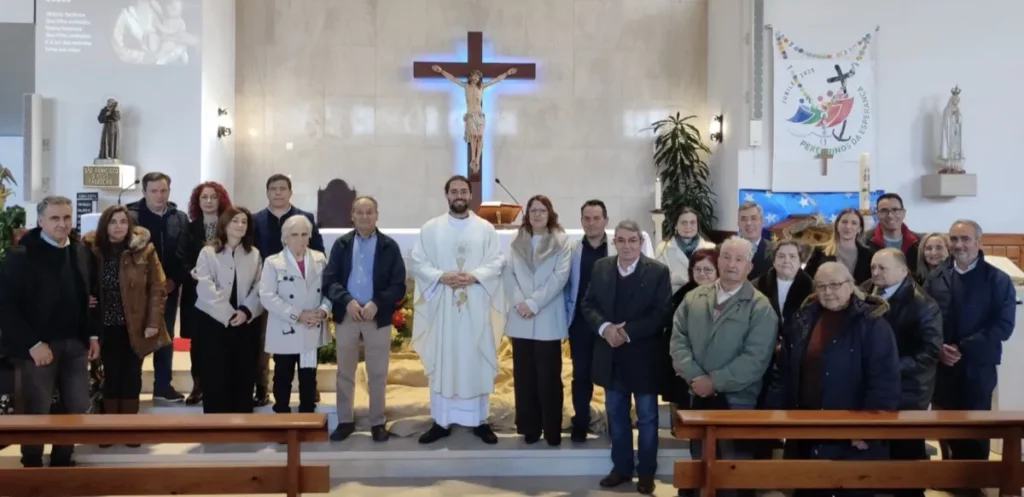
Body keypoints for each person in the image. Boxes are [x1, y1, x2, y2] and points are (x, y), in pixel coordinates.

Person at [765, 262, 901, 497]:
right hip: (807, 428)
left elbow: (885, 382)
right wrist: (777, 416)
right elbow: (785, 371)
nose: (828, 292)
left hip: (853, 433)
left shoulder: (872, 323)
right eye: (822, 286)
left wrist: (869, 429)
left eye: (835, 285)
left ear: (850, 285)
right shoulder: (802, 320)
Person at [671, 237, 778, 497]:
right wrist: (696, 378)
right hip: (697, 397)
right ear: (717, 260)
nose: (731, 264)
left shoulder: (760, 307)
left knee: (732, 476)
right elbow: (678, 341)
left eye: (739, 259)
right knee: (698, 472)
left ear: (749, 266)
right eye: (727, 257)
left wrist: (714, 382)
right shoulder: (694, 298)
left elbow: (755, 359)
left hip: (737, 402)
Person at [0, 196, 97, 467]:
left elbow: (87, 297)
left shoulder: (79, 250)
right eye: (54, 218)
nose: (62, 224)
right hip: (39, 346)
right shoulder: (22, 255)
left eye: (66, 217)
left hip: (74, 344)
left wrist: (91, 335)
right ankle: (31, 461)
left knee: (76, 403)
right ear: (41, 221)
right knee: (37, 406)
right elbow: (5, 306)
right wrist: (32, 344)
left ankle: (62, 457)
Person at [410, 175, 504, 445]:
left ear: (470, 195)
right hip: (443, 307)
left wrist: (475, 276)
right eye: (454, 191)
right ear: (447, 195)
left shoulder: (486, 229)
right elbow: (418, 261)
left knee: (474, 358)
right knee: (445, 357)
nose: (459, 195)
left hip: (475, 304)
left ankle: (480, 421)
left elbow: (497, 261)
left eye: (464, 191)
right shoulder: (431, 228)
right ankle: (441, 420)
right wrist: (440, 276)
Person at [581, 220, 672, 495]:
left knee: (646, 418)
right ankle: (621, 468)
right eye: (621, 240)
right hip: (611, 355)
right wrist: (605, 328)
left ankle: (646, 472)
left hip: (643, 357)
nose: (627, 246)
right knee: (616, 415)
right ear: (615, 242)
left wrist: (627, 332)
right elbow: (588, 304)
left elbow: (662, 312)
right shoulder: (601, 268)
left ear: (641, 242)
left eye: (632, 240)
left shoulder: (657, 271)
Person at [563, 199, 654, 443]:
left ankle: (616, 423)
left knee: (614, 376)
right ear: (581, 221)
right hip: (582, 322)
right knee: (581, 374)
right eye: (586, 218)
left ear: (606, 220)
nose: (591, 223)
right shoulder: (573, 249)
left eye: (596, 218)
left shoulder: (617, 247)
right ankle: (581, 421)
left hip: (614, 325)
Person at [925, 220, 1016, 463]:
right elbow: (925, 320)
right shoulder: (936, 277)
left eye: (965, 239)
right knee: (944, 426)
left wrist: (961, 347)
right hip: (942, 366)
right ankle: (949, 478)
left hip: (977, 366)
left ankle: (973, 482)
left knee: (975, 429)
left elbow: (1003, 326)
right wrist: (939, 348)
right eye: (954, 239)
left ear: (979, 241)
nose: (959, 245)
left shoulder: (998, 280)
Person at [84, 206, 171, 445]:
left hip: (136, 324)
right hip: (104, 325)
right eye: (113, 222)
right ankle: (110, 429)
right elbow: (82, 280)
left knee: (132, 375)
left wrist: (153, 321)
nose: (119, 226)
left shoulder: (144, 250)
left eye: (123, 221)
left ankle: (130, 430)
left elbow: (157, 287)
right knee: (110, 376)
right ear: (105, 225)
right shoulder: (93, 250)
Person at [323, 196, 406, 443]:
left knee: (377, 372)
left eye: (369, 212)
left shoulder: (389, 246)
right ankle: (345, 420)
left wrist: (376, 303)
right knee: (345, 372)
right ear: (352, 215)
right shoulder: (342, 244)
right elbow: (330, 280)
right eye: (359, 212)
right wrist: (347, 301)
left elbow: (398, 285)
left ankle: (377, 422)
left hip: (375, 316)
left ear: (377, 215)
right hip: (347, 315)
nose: (364, 217)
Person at [862, 248, 942, 497]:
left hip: (908, 389)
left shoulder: (923, 304)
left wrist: (888, 367)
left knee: (906, 453)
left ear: (903, 270)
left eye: (882, 268)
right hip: (873, 387)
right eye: (873, 267)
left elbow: (929, 352)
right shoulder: (864, 290)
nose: (875, 273)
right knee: (874, 452)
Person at [503, 195, 572, 446]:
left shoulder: (562, 241)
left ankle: (552, 430)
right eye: (533, 210)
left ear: (550, 213)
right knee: (524, 376)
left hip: (546, 316)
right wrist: (521, 302)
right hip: (521, 317)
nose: (537, 214)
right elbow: (507, 274)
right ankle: (530, 428)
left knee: (549, 377)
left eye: (542, 210)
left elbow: (560, 277)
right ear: (527, 214)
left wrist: (533, 303)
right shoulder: (516, 241)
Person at [252, 173, 324, 406]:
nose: (279, 192)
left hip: (310, 315)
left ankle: (308, 402)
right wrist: (295, 313)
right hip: (278, 299)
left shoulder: (305, 220)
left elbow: (326, 284)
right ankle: (264, 391)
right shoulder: (256, 220)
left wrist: (321, 310)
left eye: (283, 188)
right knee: (278, 362)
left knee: (307, 367)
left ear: (291, 192)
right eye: (274, 189)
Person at [126, 172, 190, 402]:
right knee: (138, 336)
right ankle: (131, 387)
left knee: (166, 337)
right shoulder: (130, 216)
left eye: (164, 190)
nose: (159, 195)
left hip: (168, 288)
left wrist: (175, 279)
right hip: (137, 290)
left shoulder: (179, 218)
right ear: (144, 192)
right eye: (154, 191)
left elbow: (184, 252)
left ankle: (163, 386)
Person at [193, 207, 264, 414]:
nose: (240, 225)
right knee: (216, 373)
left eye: (244, 221)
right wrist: (228, 314)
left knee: (243, 373)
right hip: (213, 321)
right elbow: (205, 285)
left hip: (245, 322)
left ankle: (241, 423)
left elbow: (260, 287)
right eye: (235, 221)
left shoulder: (254, 254)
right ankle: (216, 425)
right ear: (225, 224)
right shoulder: (208, 252)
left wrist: (246, 311)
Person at [259, 215, 331, 415]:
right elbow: (266, 296)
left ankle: (308, 416)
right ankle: (281, 417)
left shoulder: (320, 259)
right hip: (287, 327)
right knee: (283, 375)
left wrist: (324, 310)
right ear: (285, 238)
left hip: (311, 326)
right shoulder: (273, 262)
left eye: (304, 234)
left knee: (309, 376)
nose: (300, 239)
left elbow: (329, 290)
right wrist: (297, 314)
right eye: (295, 235)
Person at [177, 181, 233, 405]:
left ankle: (222, 384)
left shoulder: (231, 225)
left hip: (225, 293)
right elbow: (181, 257)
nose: (209, 201)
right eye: (204, 197)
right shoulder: (190, 228)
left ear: (221, 200)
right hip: (197, 293)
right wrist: (189, 270)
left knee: (223, 340)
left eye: (213, 197)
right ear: (197, 202)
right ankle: (198, 386)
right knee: (198, 344)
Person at [752, 239, 813, 410]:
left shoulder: (812, 288)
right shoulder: (757, 286)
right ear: (773, 260)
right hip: (764, 355)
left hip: (798, 357)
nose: (787, 261)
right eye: (782, 256)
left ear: (801, 261)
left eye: (792, 256)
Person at [660, 248, 718, 413]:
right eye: (697, 269)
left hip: (716, 370)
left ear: (718, 271)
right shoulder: (681, 296)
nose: (702, 274)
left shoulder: (726, 295)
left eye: (708, 269)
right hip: (685, 369)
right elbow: (673, 334)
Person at [804, 207, 874, 284]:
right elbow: (808, 279)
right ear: (837, 225)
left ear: (859, 229)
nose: (848, 227)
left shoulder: (868, 254)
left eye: (854, 223)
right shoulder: (820, 251)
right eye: (844, 222)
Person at [654, 207, 716, 293]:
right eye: (684, 223)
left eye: (692, 222)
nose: (688, 226)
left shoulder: (711, 248)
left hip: (703, 297)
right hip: (674, 299)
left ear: (697, 225)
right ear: (675, 225)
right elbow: (660, 278)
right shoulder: (663, 248)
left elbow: (716, 278)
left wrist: (679, 279)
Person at [865, 193, 920, 275]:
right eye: (884, 211)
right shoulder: (865, 241)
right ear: (877, 214)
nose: (890, 215)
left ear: (903, 213)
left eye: (895, 210)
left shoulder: (918, 242)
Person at [736, 201, 772, 280]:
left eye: (753, 218)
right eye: (744, 219)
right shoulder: (726, 249)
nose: (748, 223)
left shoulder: (775, 250)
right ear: (738, 223)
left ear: (762, 221)